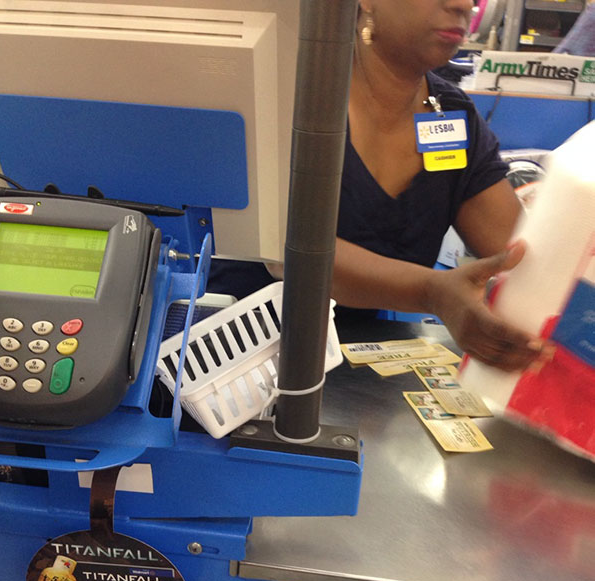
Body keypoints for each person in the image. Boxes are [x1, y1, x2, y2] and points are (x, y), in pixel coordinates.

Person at [209, 0, 550, 372]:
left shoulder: (453, 115)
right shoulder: (291, 93)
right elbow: (284, 249)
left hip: (357, 375)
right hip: (235, 365)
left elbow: (519, 257)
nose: (461, 4)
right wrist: (433, 292)